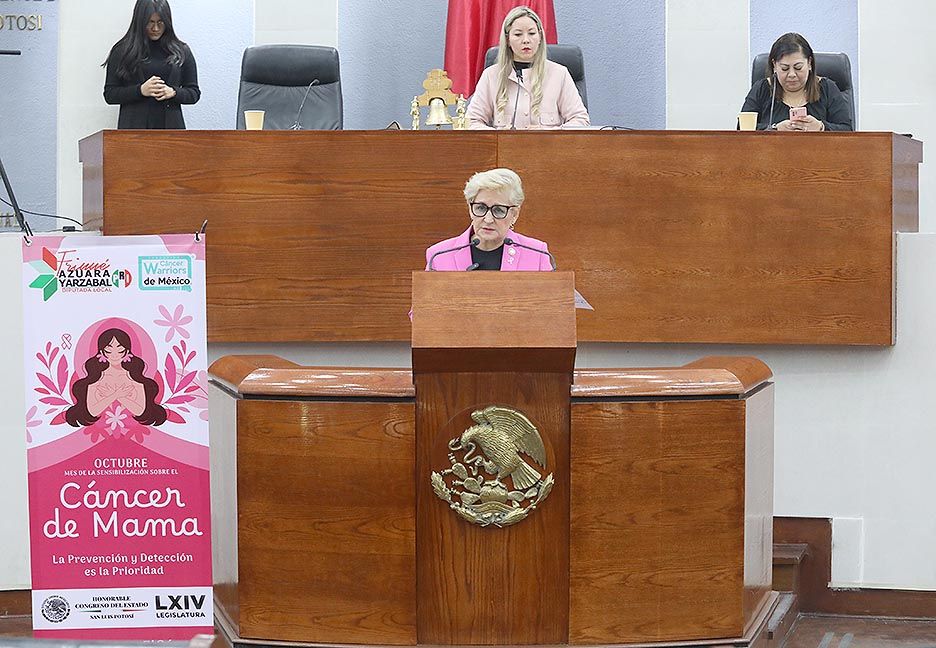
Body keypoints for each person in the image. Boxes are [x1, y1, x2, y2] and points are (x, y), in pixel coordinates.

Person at [467, 6, 589, 130]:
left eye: (531, 33)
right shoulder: (491, 75)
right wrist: (498, 136)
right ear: (508, 40)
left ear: (540, 37)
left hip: (548, 143)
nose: (526, 40)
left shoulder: (559, 74)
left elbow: (580, 120)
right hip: (504, 143)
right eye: (518, 34)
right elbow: (471, 121)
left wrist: (548, 133)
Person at [425, 168, 553, 271]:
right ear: (470, 209)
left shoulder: (537, 254)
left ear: (514, 214)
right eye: (481, 208)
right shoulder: (439, 255)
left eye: (498, 210)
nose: (488, 219)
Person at [103, 0, 200, 129]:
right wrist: (140, 90)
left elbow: (194, 93)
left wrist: (173, 92)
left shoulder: (181, 51)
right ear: (140, 21)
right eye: (150, 22)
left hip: (172, 130)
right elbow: (110, 94)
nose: (156, 28)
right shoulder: (122, 51)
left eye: (160, 22)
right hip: (133, 131)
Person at [740, 33, 852, 132]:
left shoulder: (827, 88)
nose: (792, 74)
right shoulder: (762, 89)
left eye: (798, 67)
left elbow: (847, 130)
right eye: (784, 68)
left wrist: (821, 127)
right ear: (774, 65)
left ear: (809, 63)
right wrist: (774, 129)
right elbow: (742, 129)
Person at [65, 328, 167, 427]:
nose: (114, 355)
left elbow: (140, 411)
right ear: (101, 352)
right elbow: (92, 411)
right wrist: (116, 395)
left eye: (119, 349)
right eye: (109, 350)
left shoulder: (133, 377)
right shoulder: (96, 378)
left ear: (127, 351)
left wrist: (116, 395)